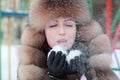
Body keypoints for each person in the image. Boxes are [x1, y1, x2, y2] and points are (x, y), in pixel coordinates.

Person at [17, 0, 119, 80]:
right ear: (43, 32)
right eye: (53, 25)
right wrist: (54, 77)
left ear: (78, 28)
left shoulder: (94, 61)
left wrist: (81, 75)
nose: (62, 31)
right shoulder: (31, 66)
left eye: (69, 25)